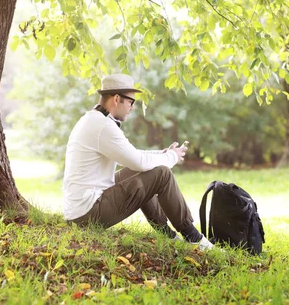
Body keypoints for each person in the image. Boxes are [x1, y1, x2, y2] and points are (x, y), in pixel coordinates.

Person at [62, 73, 214, 250]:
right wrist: (172, 157)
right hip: (87, 213)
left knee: (148, 170)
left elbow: (132, 156)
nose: (133, 108)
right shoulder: (103, 125)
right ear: (117, 99)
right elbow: (138, 162)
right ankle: (193, 238)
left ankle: (168, 236)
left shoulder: (95, 119)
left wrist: (162, 154)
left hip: (80, 208)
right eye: (131, 102)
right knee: (162, 174)